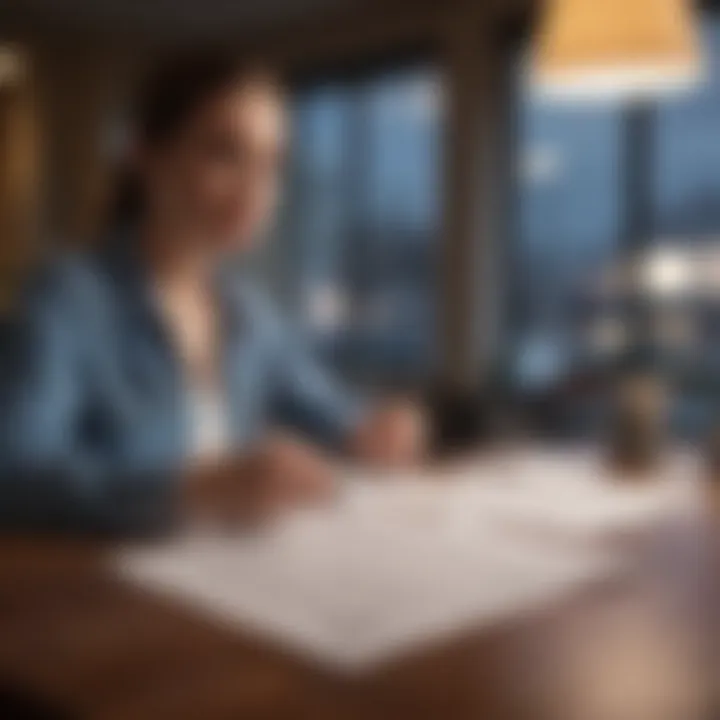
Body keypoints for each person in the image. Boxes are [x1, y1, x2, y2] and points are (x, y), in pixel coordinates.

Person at [0, 53, 426, 534]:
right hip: (106, 594)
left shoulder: (248, 312)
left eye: (271, 163)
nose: (255, 188)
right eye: (225, 153)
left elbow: (333, 414)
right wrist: (191, 489)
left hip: (231, 581)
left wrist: (373, 432)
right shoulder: (68, 298)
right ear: (147, 155)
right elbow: (13, 473)